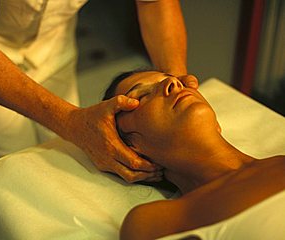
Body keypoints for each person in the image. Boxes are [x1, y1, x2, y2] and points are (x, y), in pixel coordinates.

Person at [0, 0, 199, 182]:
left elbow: (154, 2)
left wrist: (176, 79)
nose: (168, 86)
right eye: (141, 94)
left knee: (64, 150)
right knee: (13, 156)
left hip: (53, 38)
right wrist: (71, 122)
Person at [102, 70, 285, 239]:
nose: (173, 82)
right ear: (130, 149)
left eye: (172, 78)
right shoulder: (157, 221)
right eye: (142, 95)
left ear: (216, 124)